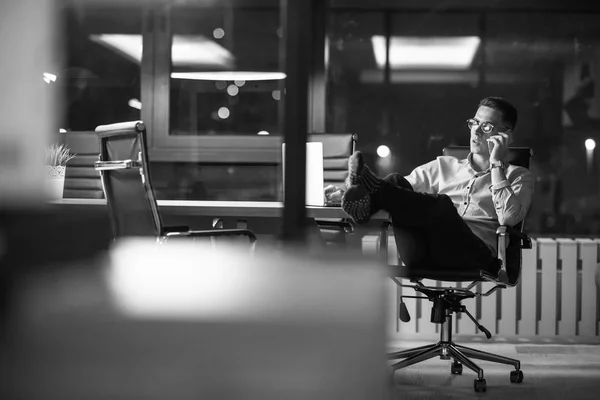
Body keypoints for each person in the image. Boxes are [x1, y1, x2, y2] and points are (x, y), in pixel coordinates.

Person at [324, 96, 534, 277]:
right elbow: (397, 192)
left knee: (442, 205)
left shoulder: (518, 176)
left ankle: (369, 194)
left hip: (475, 257)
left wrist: (496, 163)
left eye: (486, 126)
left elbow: (508, 218)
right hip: (423, 252)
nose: (476, 132)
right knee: (397, 181)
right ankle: (366, 201)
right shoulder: (444, 165)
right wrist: (345, 195)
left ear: (505, 135)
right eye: (474, 123)